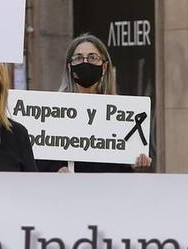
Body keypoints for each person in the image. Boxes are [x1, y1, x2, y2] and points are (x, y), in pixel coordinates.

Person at [43, 33, 153, 174]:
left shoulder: (120, 114)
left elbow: (124, 161)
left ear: (104, 66)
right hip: (68, 193)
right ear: (70, 67)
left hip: (109, 193)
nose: (85, 62)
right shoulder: (53, 112)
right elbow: (39, 161)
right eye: (78, 58)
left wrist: (135, 164)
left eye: (92, 58)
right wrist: (55, 172)